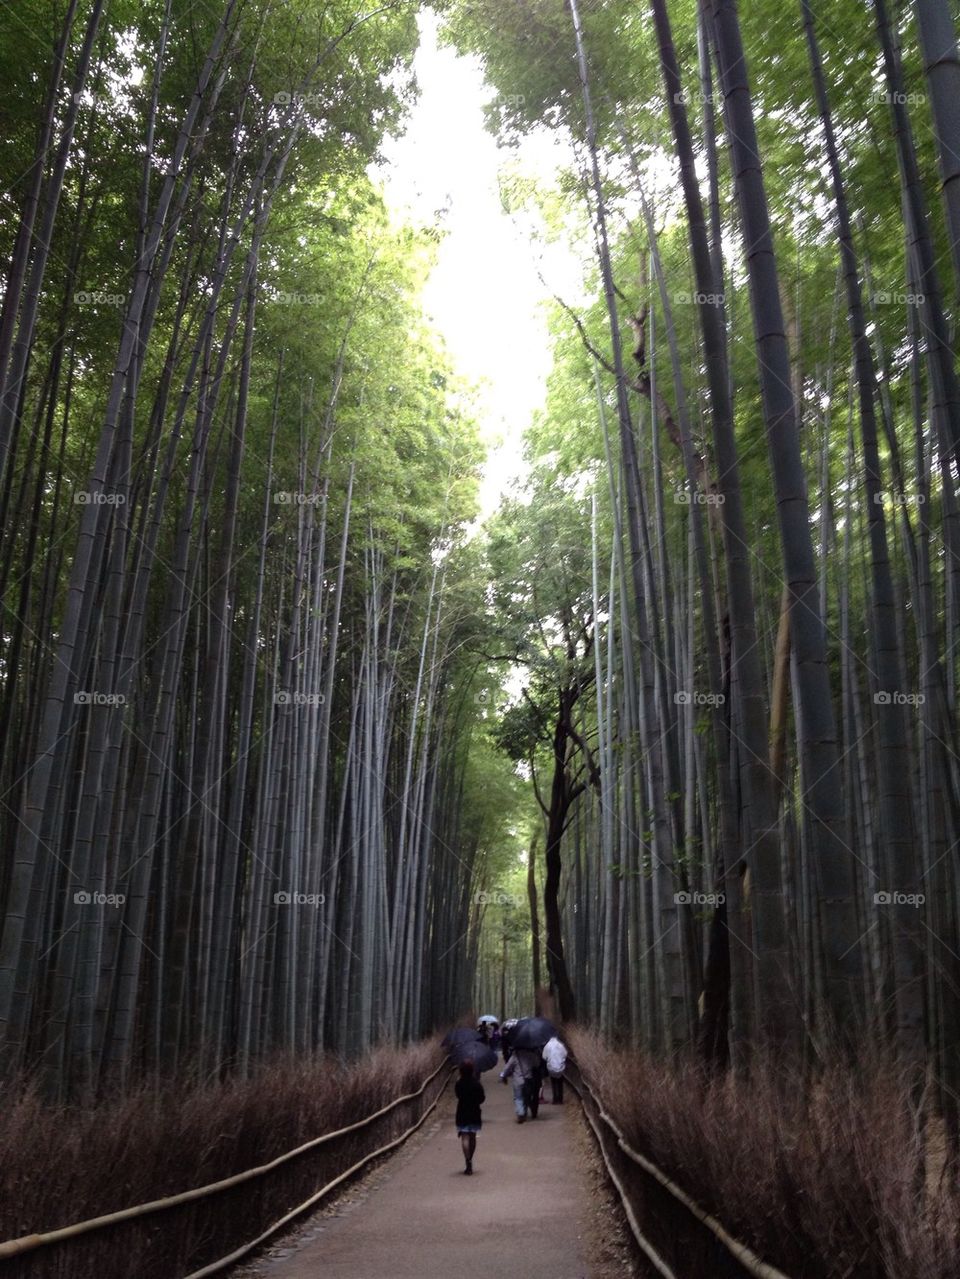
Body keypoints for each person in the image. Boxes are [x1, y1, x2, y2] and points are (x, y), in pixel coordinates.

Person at [454, 1059, 485, 1175]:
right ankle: (470, 1157)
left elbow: (457, 1095)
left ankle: (467, 1160)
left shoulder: (459, 1083)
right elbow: (482, 1098)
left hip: (462, 1112)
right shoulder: (476, 1083)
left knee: (464, 1137)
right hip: (474, 1112)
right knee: (472, 1137)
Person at [499, 1046, 541, 1122]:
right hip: (528, 1079)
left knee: (518, 1097)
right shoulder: (531, 1055)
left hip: (517, 1080)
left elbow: (508, 1067)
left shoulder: (515, 1056)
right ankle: (525, 1111)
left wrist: (503, 1075)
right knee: (527, 1096)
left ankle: (521, 1112)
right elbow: (537, 1064)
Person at [542, 1035, 567, 1104]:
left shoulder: (547, 1046)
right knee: (560, 1083)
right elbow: (565, 1054)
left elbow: (544, 1057)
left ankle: (555, 1099)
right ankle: (560, 1099)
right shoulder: (561, 1045)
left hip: (551, 1067)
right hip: (560, 1067)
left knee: (553, 1082)